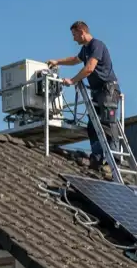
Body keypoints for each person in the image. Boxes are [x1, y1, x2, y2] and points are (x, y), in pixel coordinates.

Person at [48, 21, 121, 170]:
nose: (74, 39)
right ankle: (98, 158)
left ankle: (115, 159)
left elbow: (89, 69)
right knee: (93, 125)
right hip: (97, 92)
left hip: (108, 90)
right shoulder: (86, 49)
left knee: (108, 122)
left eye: (74, 35)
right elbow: (75, 60)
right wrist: (57, 61)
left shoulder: (96, 45)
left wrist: (73, 80)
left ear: (82, 32)